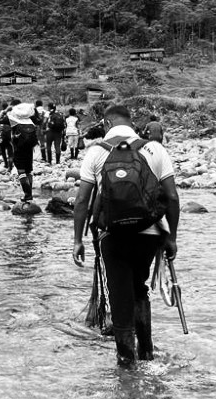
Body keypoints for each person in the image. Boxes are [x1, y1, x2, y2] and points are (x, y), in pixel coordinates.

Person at [72, 105, 180, 366]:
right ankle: (146, 354)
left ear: (107, 124)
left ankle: (126, 364)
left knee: (120, 296)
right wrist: (172, 237)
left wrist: (78, 240)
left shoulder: (96, 151)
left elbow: (82, 201)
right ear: (131, 124)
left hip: (112, 235)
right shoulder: (154, 148)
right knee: (140, 289)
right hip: (149, 234)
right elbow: (173, 197)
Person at [8, 99, 39, 201]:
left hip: (19, 148)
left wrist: (5, 111)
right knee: (29, 171)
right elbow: (38, 119)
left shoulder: (13, 118)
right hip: (29, 148)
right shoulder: (30, 119)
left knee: (21, 172)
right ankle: (29, 195)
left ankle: (27, 195)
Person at [0, 101, 15, 171]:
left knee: (2, 149)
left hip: (1, 135)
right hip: (9, 134)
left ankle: (6, 164)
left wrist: (2, 113)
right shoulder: (13, 116)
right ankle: (10, 165)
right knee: (10, 150)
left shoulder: (3, 115)